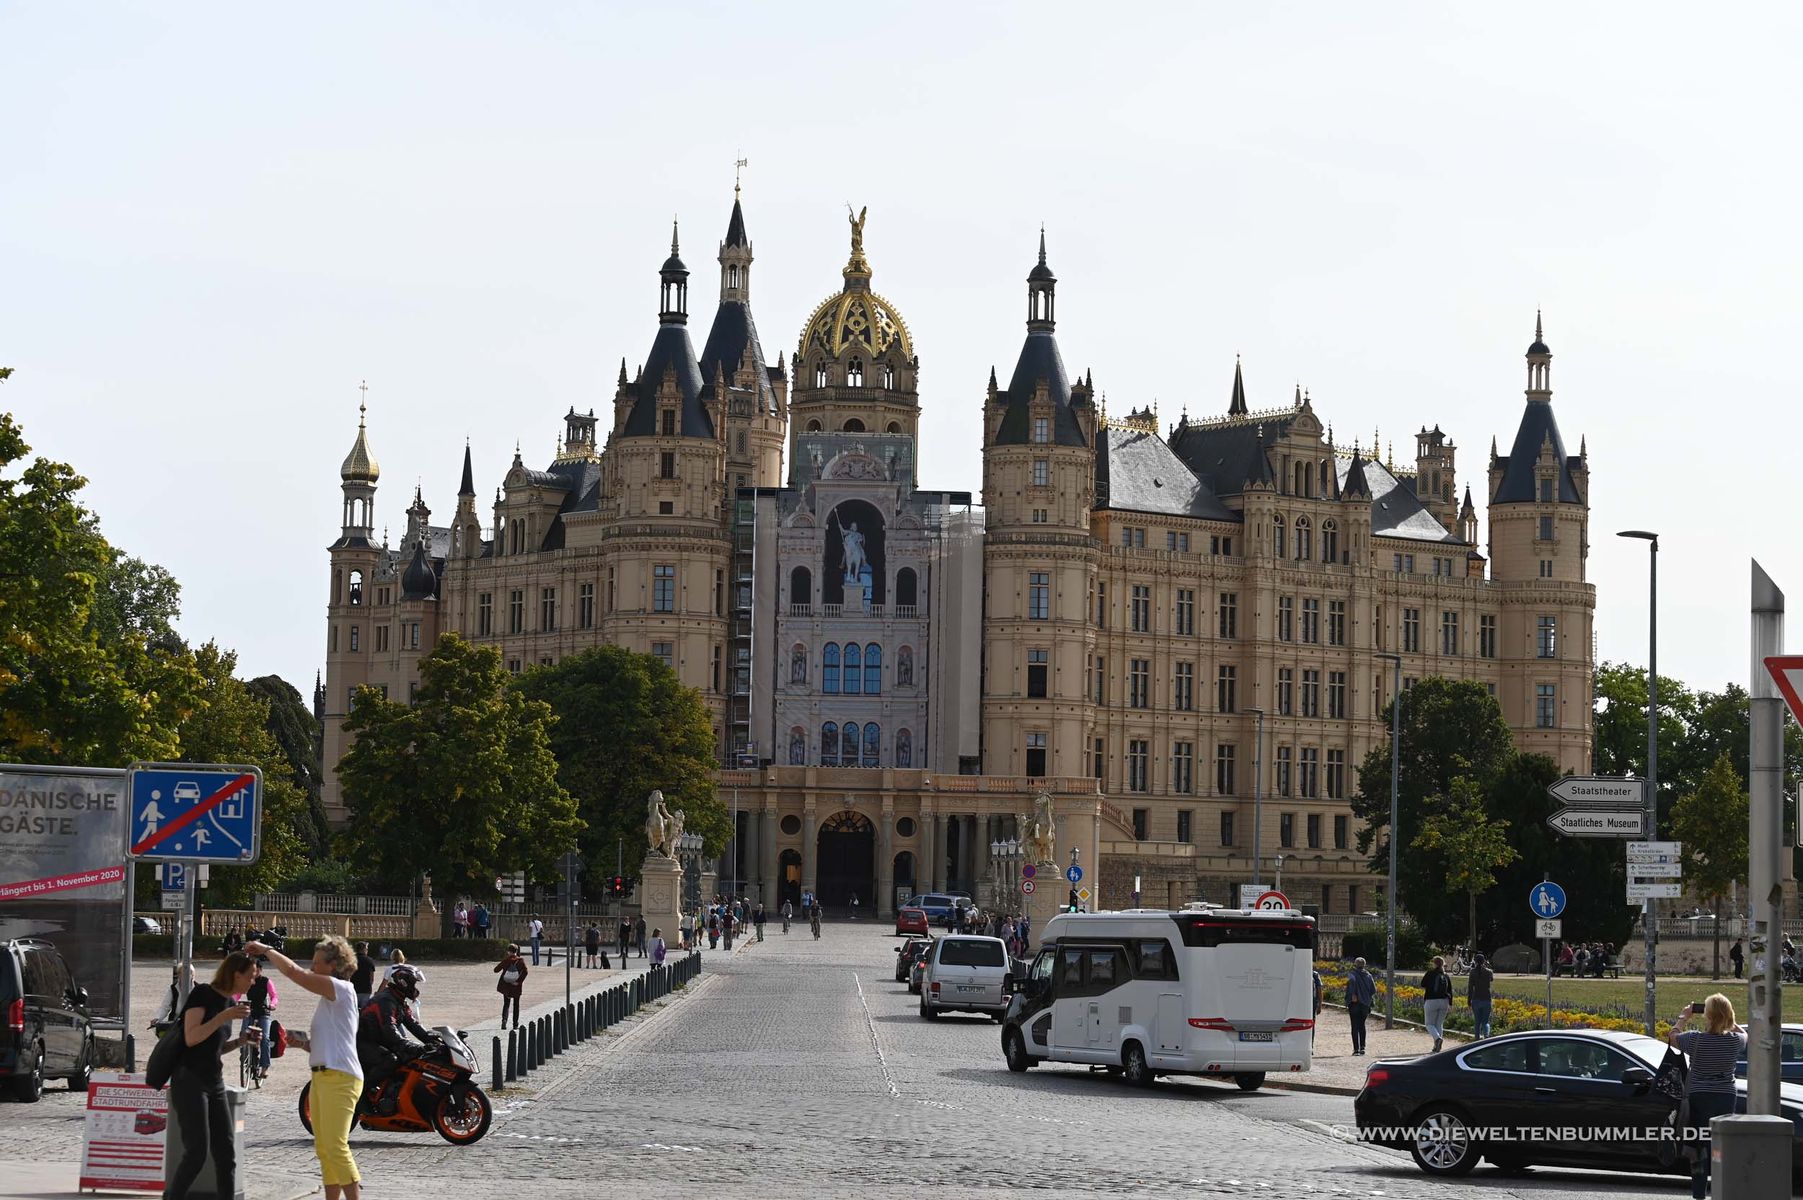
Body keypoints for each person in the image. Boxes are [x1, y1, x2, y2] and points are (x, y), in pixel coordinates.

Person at [249, 934, 362, 1200]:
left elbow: (294, 972)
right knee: (324, 1148)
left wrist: (267, 950)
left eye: (317, 962)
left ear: (333, 965)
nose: (312, 967)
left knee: (336, 1147)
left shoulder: (342, 989)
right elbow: (326, 1042)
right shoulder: (330, 999)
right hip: (323, 1076)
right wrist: (301, 1043)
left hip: (340, 1077)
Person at [165, 952, 259, 1200]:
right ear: (236, 975)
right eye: (250, 976)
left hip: (214, 1082)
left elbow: (214, 1047)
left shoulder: (228, 1003)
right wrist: (223, 1017)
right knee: (196, 1153)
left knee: (226, 1154)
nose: (253, 982)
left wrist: (240, 1041)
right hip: (189, 1080)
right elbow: (191, 1037)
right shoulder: (203, 994)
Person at [1670, 994, 1749, 1199]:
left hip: (1699, 1096)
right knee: (1721, 1142)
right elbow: (1744, 1035)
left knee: (1699, 1145)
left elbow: (1673, 1037)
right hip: (1725, 1096)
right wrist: (1728, 1019)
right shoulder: (1735, 1041)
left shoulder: (1694, 1039)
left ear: (1708, 1015)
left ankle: (1699, 1193)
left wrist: (1684, 1017)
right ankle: (1724, 1189)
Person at [357, 964, 434, 1114]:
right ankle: (361, 1095)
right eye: (413, 984)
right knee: (390, 1059)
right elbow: (389, 1030)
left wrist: (434, 1040)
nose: (415, 989)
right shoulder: (386, 1001)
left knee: (409, 1059)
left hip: (378, 1040)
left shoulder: (398, 1000)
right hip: (363, 1041)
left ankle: (392, 1093)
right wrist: (412, 1046)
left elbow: (413, 1024)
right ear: (404, 983)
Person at [242, 957, 279, 1081]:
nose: (253, 973)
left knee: (265, 1038)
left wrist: (272, 1005)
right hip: (250, 1012)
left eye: (255, 970)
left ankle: (264, 1067)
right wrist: (232, 1002)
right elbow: (237, 993)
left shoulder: (266, 981)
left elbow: (274, 996)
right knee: (243, 1035)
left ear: (260, 969)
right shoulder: (247, 981)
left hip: (263, 1012)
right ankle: (245, 1058)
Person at [1421, 956, 1453, 1053]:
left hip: (1431, 1000)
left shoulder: (1430, 973)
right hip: (1444, 1001)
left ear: (1434, 964)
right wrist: (1450, 1003)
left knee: (1429, 1024)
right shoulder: (1446, 975)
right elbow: (1450, 990)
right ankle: (1437, 1046)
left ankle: (1437, 1039)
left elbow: (1423, 984)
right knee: (1439, 1024)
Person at [1346, 957, 1376, 1055]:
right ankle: (1363, 1047)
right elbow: (1373, 990)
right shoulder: (1369, 976)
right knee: (1362, 1025)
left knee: (1354, 1026)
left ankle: (1356, 1049)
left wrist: (1352, 995)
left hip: (1354, 1003)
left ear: (1355, 964)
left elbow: (1350, 987)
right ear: (1364, 965)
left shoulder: (1352, 975)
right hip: (1365, 1004)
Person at [494, 943, 528, 1029]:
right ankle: (515, 1024)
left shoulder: (506, 960)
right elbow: (525, 972)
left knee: (506, 1004)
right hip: (516, 986)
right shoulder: (521, 961)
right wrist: (518, 982)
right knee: (516, 1005)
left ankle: (504, 1020)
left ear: (508, 951)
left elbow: (496, 970)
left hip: (506, 985)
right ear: (516, 951)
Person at [1467, 953, 1494, 1039]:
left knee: (1477, 1022)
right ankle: (1486, 1035)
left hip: (1476, 998)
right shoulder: (1489, 972)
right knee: (1485, 1021)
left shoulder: (1472, 972)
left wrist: (1469, 1000)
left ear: (1475, 961)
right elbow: (1491, 979)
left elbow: (1470, 987)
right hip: (1486, 998)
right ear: (1484, 961)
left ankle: (1477, 1039)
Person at [351, 942, 377, 1009]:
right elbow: (372, 978)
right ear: (363, 949)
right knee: (364, 1012)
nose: (367, 950)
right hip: (366, 991)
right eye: (367, 949)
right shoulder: (370, 960)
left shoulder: (352, 960)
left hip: (354, 990)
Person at [1311, 968, 1323, 1046]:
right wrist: (1320, 1004)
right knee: (1311, 1023)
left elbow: (1319, 989)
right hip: (1312, 1002)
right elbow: (1319, 990)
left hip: (1309, 1002)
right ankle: (1311, 1044)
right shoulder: (1314, 974)